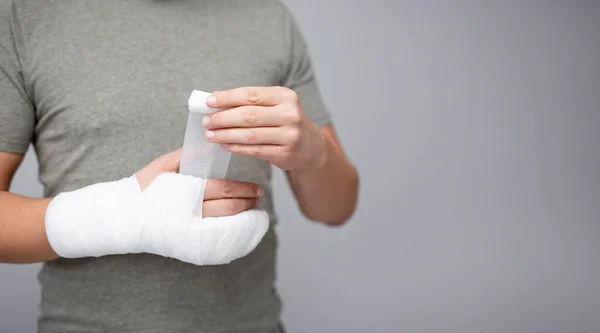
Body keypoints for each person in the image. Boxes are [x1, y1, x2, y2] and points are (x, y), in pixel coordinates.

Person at [0, 1, 358, 332]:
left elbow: (335, 209)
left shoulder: (269, 16)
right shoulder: (28, 15)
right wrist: (128, 212)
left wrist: (315, 153)